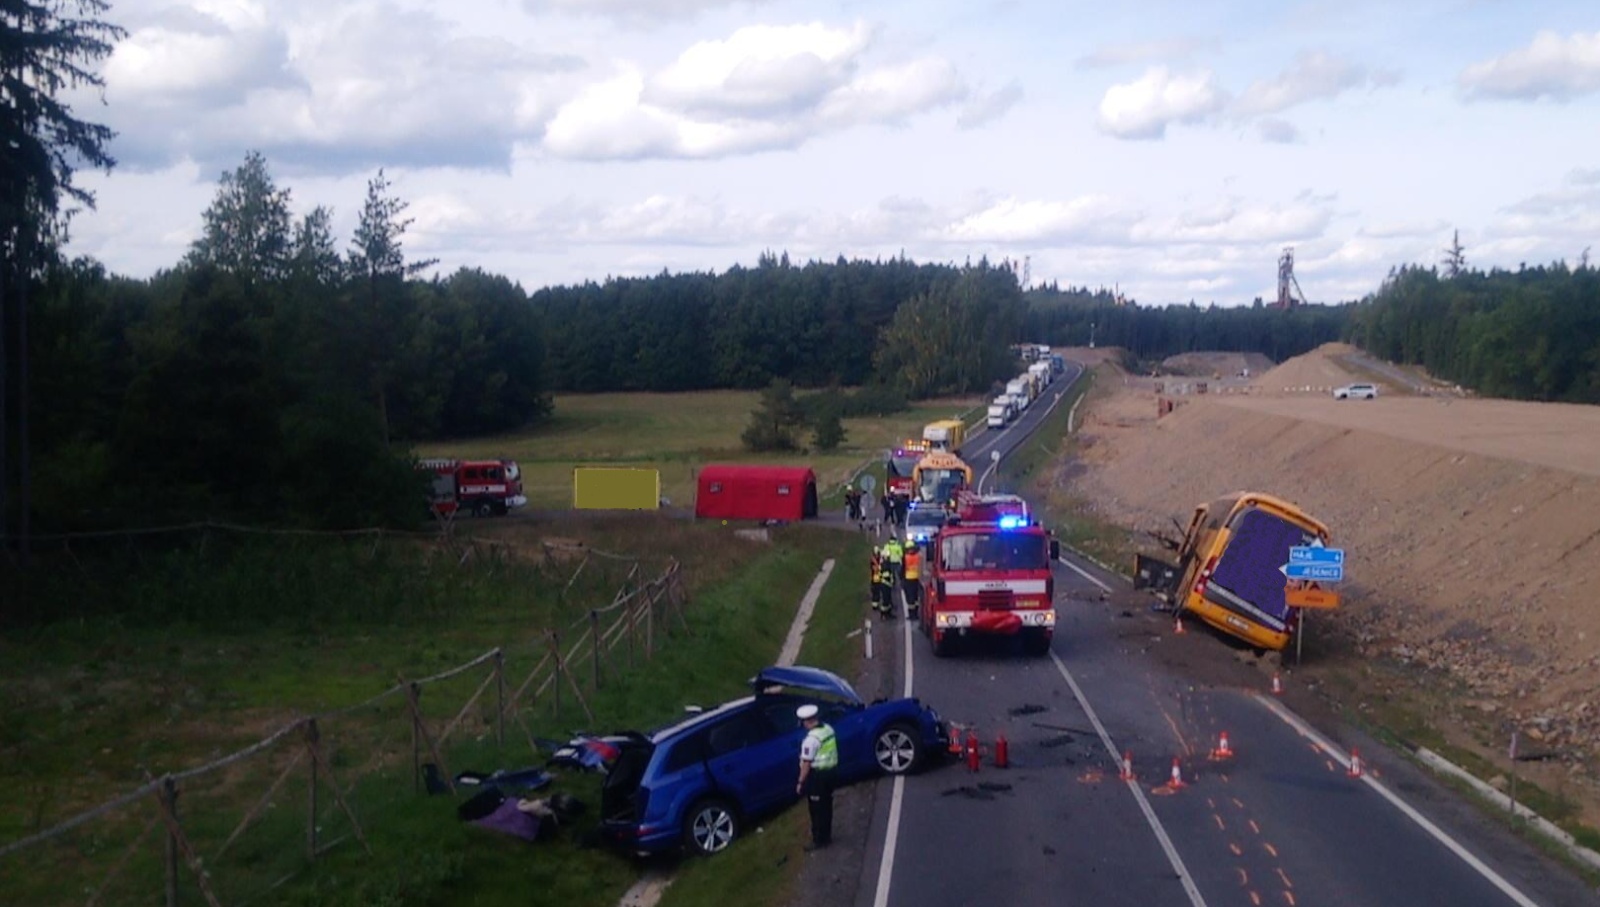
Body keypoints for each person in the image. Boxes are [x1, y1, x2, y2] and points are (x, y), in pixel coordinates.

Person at [795, 704, 838, 851]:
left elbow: (806, 763)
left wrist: (800, 782)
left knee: (816, 809)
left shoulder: (811, 740)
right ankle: (827, 835)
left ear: (806, 722)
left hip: (817, 777)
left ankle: (819, 840)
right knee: (827, 805)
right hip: (831, 772)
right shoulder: (828, 729)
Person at [902, 541, 922, 618]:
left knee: (910, 599)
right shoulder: (918, 556)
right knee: (916, 597)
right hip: (917, 578)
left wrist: (901, 578)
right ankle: (916, 613)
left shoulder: (905, 557)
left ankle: (911, 614)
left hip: (909, 579)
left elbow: (903, 569)